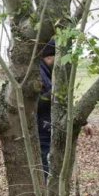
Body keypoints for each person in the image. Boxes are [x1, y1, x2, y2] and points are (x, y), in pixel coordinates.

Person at [36, 40, 56, 176]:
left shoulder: (46, 72)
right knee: (45, 167)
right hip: (42, 129)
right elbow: (36, 104)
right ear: (49, 57)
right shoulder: (39, 75)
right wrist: (53, 93)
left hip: (46, 127)